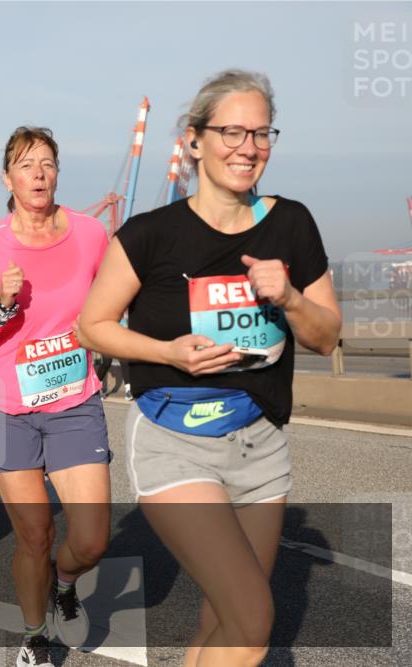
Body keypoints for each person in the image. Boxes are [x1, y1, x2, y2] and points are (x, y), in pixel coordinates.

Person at [79, 70, 341, 667]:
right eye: (230, 132)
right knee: (253, 621)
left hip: (260, 443)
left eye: (260, 133)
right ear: (194, 141)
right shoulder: (147, 235)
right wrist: (169, 351)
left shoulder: (292, 224)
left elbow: (327, 337)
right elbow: (91, 326)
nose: (247, 147)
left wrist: (293, 299)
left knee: (223, 614)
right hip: (174, 439)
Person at [0, 126, 111, 666]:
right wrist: (1, 305)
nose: (38, 173)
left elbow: (112, 305)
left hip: (72, 400)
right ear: (8, 177)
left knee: (90, 538)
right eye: (26, 165)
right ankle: (34, 636)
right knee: (35, 534)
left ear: (57, 172)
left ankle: (65, 584)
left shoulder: (91, 235)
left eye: (46, 163)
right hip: (6, 408)